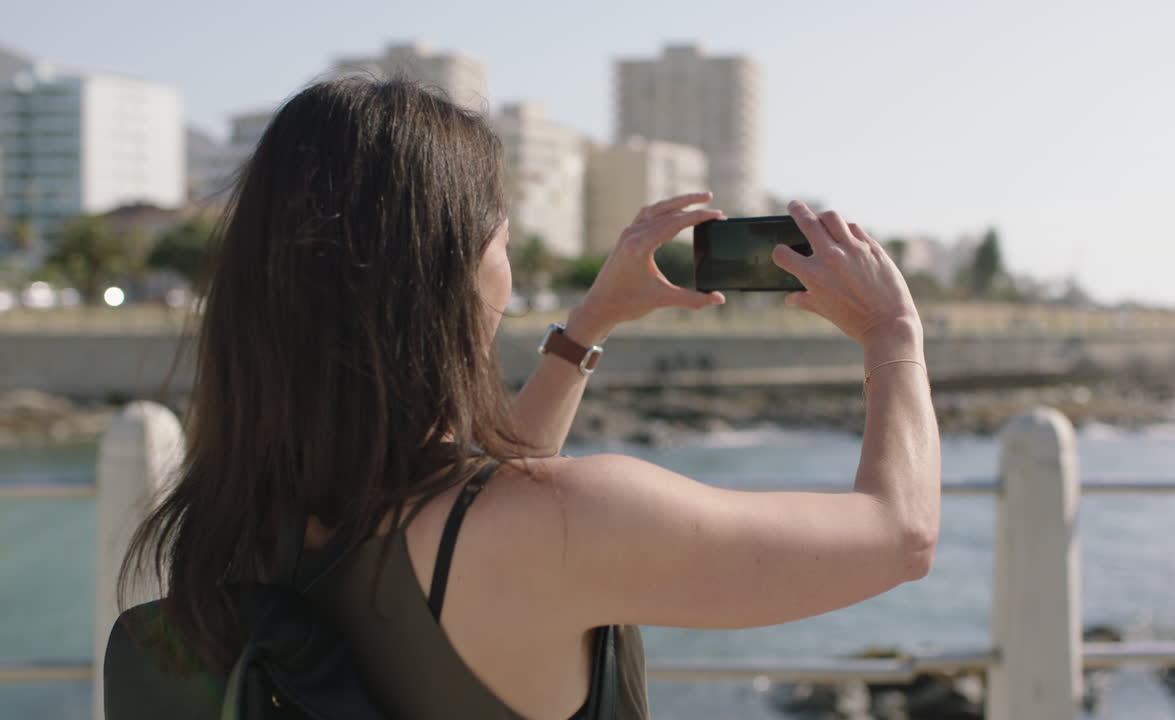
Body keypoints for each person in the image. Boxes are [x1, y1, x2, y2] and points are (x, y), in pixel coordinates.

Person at [118, 76, 940, 720]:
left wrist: (591, 324)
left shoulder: (235, 520)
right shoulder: (567, 524)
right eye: (502, 241)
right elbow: (899, 538)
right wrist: (893, 336)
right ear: (448, 276)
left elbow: (482, 498)